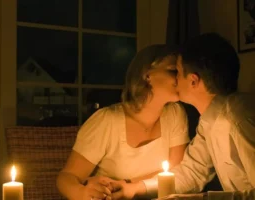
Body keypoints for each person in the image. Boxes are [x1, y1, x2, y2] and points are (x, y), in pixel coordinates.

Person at [112, 33, 255, 199]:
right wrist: (135, 188)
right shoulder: (209, 121)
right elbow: (192, 172)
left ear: (193, 81)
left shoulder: (239, 117)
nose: (175, 79)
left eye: (177, 72)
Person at [56, 44, 190, 200]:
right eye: (173, 71)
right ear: (147, 74)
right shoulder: (107, 121)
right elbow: (67, 177)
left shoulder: (175, 114)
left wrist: (128, 185)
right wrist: (81, 193)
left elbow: (176, 171)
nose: (181, 77)